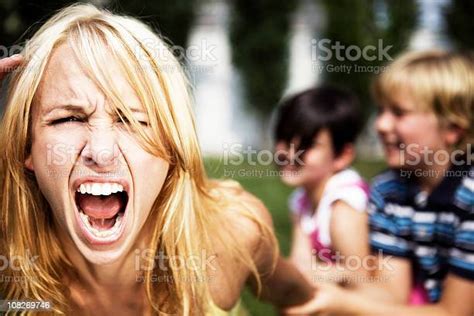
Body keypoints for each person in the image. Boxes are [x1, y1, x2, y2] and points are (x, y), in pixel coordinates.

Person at [0, 4, 315, 315]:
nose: (101, 152)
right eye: (68, 118)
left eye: (132, 120)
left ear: (170, 145)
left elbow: (305, 299)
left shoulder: (230, 235)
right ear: (27, 148)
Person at [286, 50, 474, 315]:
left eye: (399, 113)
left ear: (453, 129)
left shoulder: (470, 196)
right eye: (381, 110)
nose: (381, 124)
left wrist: (340, 302)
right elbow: (392, 298)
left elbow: (456, 312)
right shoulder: (389, 191)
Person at [273, 86, 370, 286]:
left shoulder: (343, 205)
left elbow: (361, 277)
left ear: (342, 155)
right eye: (284, 138)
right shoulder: (302, 201)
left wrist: (308, 274)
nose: (290, 154)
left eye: (306, 146)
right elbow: (299, 262)